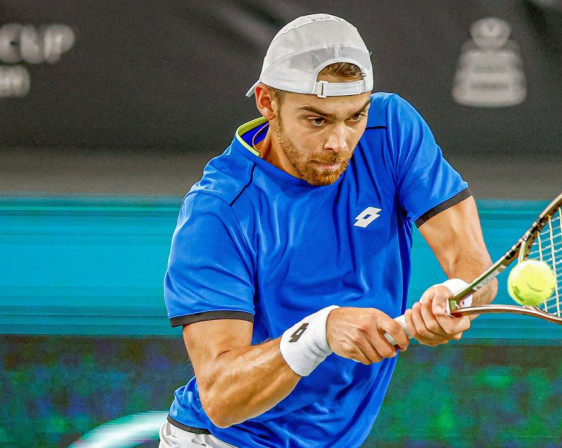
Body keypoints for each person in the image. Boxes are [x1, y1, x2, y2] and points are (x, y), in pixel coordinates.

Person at [160, 13, 497, 448]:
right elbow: (222, 399)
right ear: (266, 101)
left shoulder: (391, 129)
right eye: (316, 120)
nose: (339, 142)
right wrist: (318, 333)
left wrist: (456, 294)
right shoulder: (218, 213)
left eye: (354, 116)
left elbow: (473, 266)